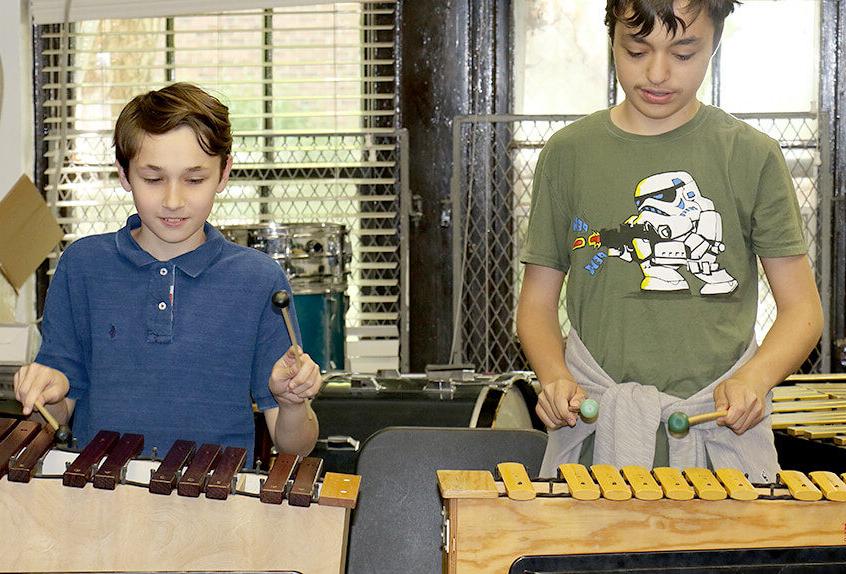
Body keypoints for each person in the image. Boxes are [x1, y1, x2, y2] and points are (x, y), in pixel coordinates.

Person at [517, 0, 823, 480]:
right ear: (612, 40)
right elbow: (536, 304)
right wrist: (555, 377)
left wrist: (753, 380)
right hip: (597, 433)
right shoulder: (568, 154)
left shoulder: (751, 155)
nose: (657, 73)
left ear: (715, 43)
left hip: (719, 438)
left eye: (683, 54)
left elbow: (803, 312)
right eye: (636, 51)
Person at [14, 83, 321, 463]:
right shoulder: (82, 266)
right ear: (124, 174)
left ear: (224, 173)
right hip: (102, 500)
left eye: (194, 180)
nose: (173, 200)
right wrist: (49, 395)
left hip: (214, 504)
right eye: (153, 179)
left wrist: (292, 404)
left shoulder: (259, 281)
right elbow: (59, 418)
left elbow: (295, 445)